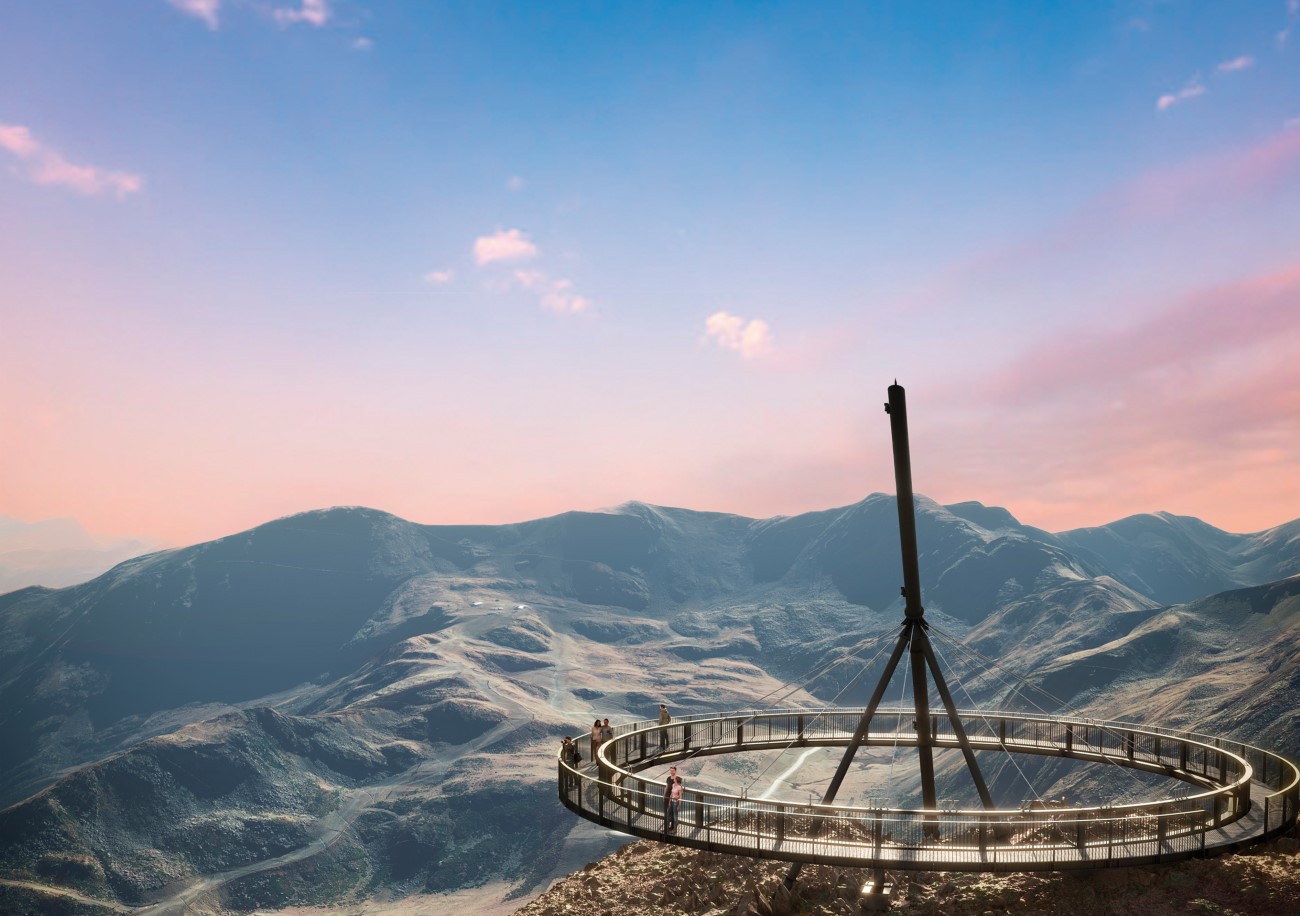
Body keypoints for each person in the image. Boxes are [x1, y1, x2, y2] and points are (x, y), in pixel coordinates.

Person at [661, 766, 677, 831]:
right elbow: (666, 787)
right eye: (671, 770)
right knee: (666, 812)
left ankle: (671, 827)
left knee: (671, 812)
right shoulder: (668, 778)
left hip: (672, 797)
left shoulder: (677, 779)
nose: (671, 772)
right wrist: (664, 795)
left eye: (673, 771)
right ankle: (668, 827)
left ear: (675, 771)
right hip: (667, 796)